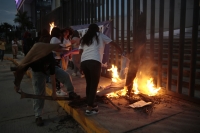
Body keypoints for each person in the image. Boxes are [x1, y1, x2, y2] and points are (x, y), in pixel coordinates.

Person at [26, 43, 80, 126]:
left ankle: (71, 92)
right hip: (37, 73)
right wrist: (17, 84)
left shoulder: (49, 55)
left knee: (65, 76)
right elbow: (21, 69)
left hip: (50, 68)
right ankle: (38, 116)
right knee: (38, 93)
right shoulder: (33, 59)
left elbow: (52, 76)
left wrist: (54, 92)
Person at [79, 24, 123, 115]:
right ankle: (89, 108)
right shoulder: (100, 35)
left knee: (89, 83)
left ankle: (90, 103)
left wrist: (81, 65)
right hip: (94, 62)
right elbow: (113, 43)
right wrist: (121, 51)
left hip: (84, 62)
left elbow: (80, 52)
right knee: (94, 85)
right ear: (97, 29)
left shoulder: (84, 38)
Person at [50, 27, 66, 96]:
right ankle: (58, 90)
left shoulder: (52, 39)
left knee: (56, 74)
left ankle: (57, 89)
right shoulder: (55, 39)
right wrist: (63, 50)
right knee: (57, 74)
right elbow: (56, 49)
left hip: (55, 58)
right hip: (56, 58)